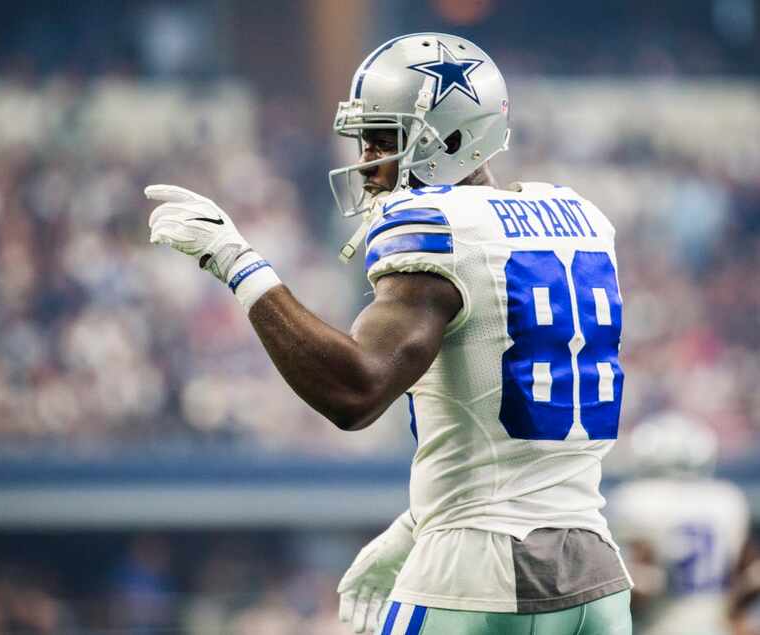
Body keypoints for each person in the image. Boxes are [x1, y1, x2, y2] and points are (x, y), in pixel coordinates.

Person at [147, 32, 632, 635]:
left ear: (450, 138)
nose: (368, 163)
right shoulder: (581, 219)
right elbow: (517, 451)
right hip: (597, 581)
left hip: (475, 576)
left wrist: (239, 264)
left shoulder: (442, 226)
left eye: (384, 139)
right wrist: (417, 525)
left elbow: (355, 392)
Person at [608, 412, 751, 635]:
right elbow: (748, 575)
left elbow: (638, 584)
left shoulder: (638, 501)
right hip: (717, 628)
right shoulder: (727, 500)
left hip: (662, 626)